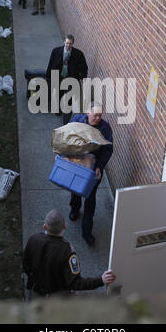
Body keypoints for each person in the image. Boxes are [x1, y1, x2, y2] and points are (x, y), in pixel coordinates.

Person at [23, 209, 116, 299]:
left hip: (36, 293)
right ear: (64, 227)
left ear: (44, 226)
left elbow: (26, 267)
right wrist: (101, 280)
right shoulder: (67, 251)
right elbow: (75, 283)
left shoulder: (33, 240)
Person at [69, 102, 113, 246]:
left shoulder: (105, 128)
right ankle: (74, 209)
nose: (97, 118)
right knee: (75, 190)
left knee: (90, 197)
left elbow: (107, 149)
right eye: (95, 115)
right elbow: (66, 137)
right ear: (88, 112)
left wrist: (99, 167)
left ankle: (87, 232)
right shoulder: (76, 120)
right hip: (77, 164)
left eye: (100, 116)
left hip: (94, 169)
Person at [46, 34, 88, 122]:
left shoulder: (78, 54)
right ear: (64, 42)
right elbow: (50, 64)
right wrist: (48, 77)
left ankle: (66, 122)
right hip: (58, 78)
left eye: (70, 44)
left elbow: (84, 67)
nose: (68, 45)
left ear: (73, 44)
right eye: (67, 43)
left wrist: (82, 78)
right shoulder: (56, 51)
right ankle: (58, 110)